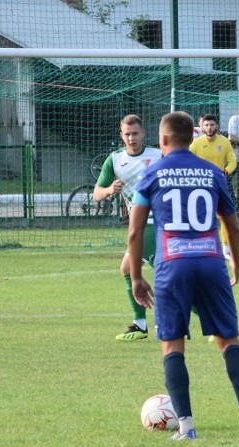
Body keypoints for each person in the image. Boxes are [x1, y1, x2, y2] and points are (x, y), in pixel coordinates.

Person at [128, 111, 239, 440]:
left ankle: (186, 427)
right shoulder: (212, 173)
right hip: (210, 262)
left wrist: (136, 276)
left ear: (162, 140)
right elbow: (232, 225)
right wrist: (235, 261)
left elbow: (136, 232)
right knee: (228, 339)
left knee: (172, 345)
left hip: (172, 265)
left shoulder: (151, 173)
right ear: (191, 138)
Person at [92, 114, 163, 341]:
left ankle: (141, 324)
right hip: (139, 223)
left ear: (143, 133)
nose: (131, 138)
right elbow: (97, 194)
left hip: (155, 222)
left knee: (130, 269)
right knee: (167, 277)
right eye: (127, 134)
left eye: (135, 133)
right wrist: (110, 190)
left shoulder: (159, 155)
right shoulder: (115, 160)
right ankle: (140, 324)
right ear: (121, 136)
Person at [190, 114, 237, 258]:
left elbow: (232, 161)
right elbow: (188, 161)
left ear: (216, 126)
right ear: (202, 126)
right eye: (206, 125)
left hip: (219, 185)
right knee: (201, 218)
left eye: (212, 125)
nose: (209, 128)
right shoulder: (196, 144)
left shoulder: (224, 142)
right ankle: (202, 245)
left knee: (224, 216)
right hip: (200, 187)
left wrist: (225, 171)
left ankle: (226, 248)